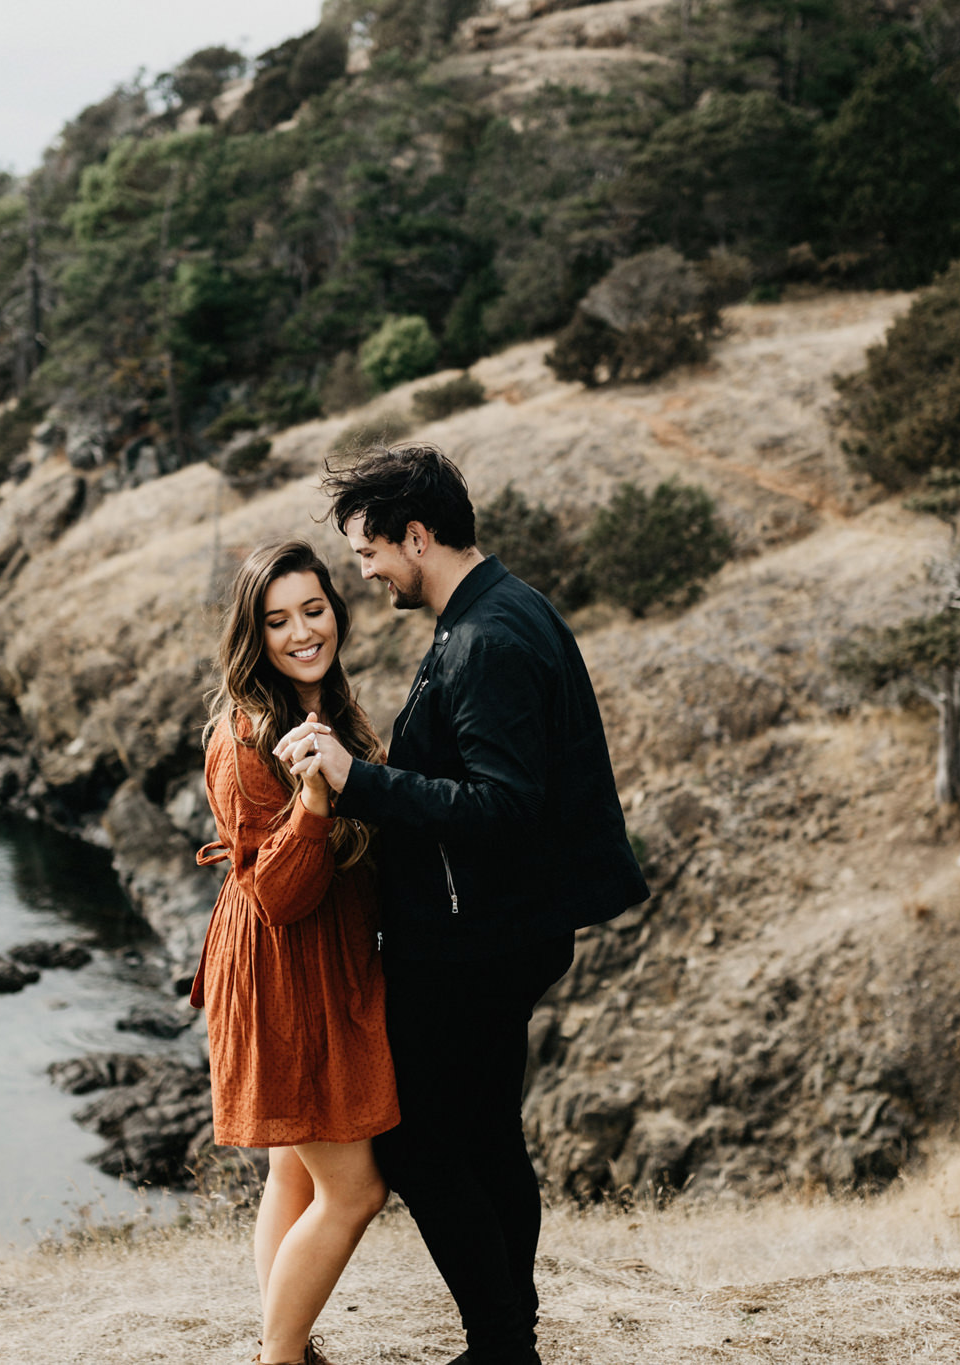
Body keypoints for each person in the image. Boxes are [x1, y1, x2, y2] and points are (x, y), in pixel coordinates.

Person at [275, 444, 649, 1365]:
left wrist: (358, 780)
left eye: (369, 549)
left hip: (474, 941)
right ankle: (503, 1341)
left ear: (417, 533)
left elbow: (503, 805)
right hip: (494, 927)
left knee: (418, 1148)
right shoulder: (489, 614)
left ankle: (500, 1345)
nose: (363, 569)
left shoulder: (490, 639)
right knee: (485, 1136)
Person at [190, 538, 400, 1365]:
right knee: (355, 1190)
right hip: (285, 971)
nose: (302, 632)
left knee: (295, 1176)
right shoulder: (243, 737)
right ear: (255, 633)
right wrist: (314, 801)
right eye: (277, 620)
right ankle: (278, 1358)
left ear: (336, 613)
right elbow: (278, 893)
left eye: (314, 610)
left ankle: (289, 1342)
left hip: (322, 959)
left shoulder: (329, 708)